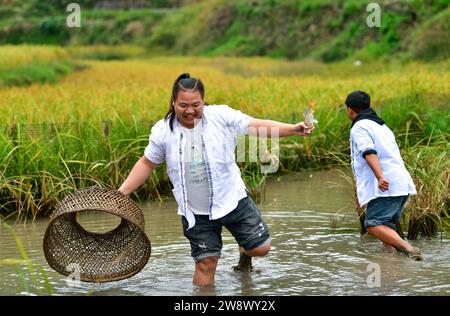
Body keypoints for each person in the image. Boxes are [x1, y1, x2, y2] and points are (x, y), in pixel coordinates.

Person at [118, 73, 313, 285]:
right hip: (195, 211)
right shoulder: (163, 131)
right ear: (173, 102)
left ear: (203, 101)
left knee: (261, 248)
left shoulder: (221, 116)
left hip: (231, 200)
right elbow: (147, 163)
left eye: (196, 104)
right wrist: (122, 193)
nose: (190, 110)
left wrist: (294, 129)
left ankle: (245, 251)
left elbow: (255, 125)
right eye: (183, 105)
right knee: (205, 263)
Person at [345, 90, 422, 260]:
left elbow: (369, 152)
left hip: (386, 184)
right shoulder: (381, 125)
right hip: (400, 183)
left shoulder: (359, 127)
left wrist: (380, 177)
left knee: (373, 225)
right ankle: (390, 267)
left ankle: (410, 250)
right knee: (387, 229)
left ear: (350, 110)